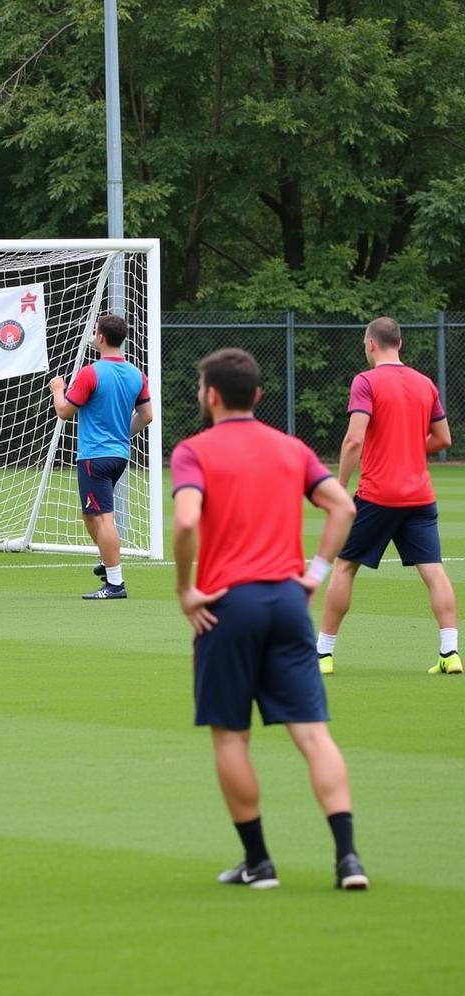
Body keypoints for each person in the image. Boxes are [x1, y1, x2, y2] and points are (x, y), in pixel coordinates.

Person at [171, 348, 368, 890]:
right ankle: (348, 858)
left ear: (209, 395)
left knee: (231, 737)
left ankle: (259, 863)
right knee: (313, 733)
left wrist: (186, 589)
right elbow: (344, 507)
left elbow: (187, 521)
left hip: (226, 607)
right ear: (257, 396)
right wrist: (315, 574)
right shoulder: (292, 447)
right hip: (287, 601)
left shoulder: (194, 451)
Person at [317, 316, 459, 675]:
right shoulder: (425, 383)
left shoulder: (365, 381)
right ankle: (450, 652)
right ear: (401, 344)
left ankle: (322, 655)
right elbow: (443, 440)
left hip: (378, 495)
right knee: (434, 571)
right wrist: (409, 448)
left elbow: (354, 439)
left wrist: (340, 486)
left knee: (345, 567)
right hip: (419, 496)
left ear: (370, 345)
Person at [48, 313, 153, 599]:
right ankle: (109, 563)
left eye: (95, 331)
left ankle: (115, 583)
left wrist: (58, 390)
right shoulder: (136, 374)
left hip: (94, 456)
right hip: (119, 456)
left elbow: (64, 412)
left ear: (102, 337)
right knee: (89, 514)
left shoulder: (90, 373)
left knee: (104, 518)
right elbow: (147, 416)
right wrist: (121, 435)